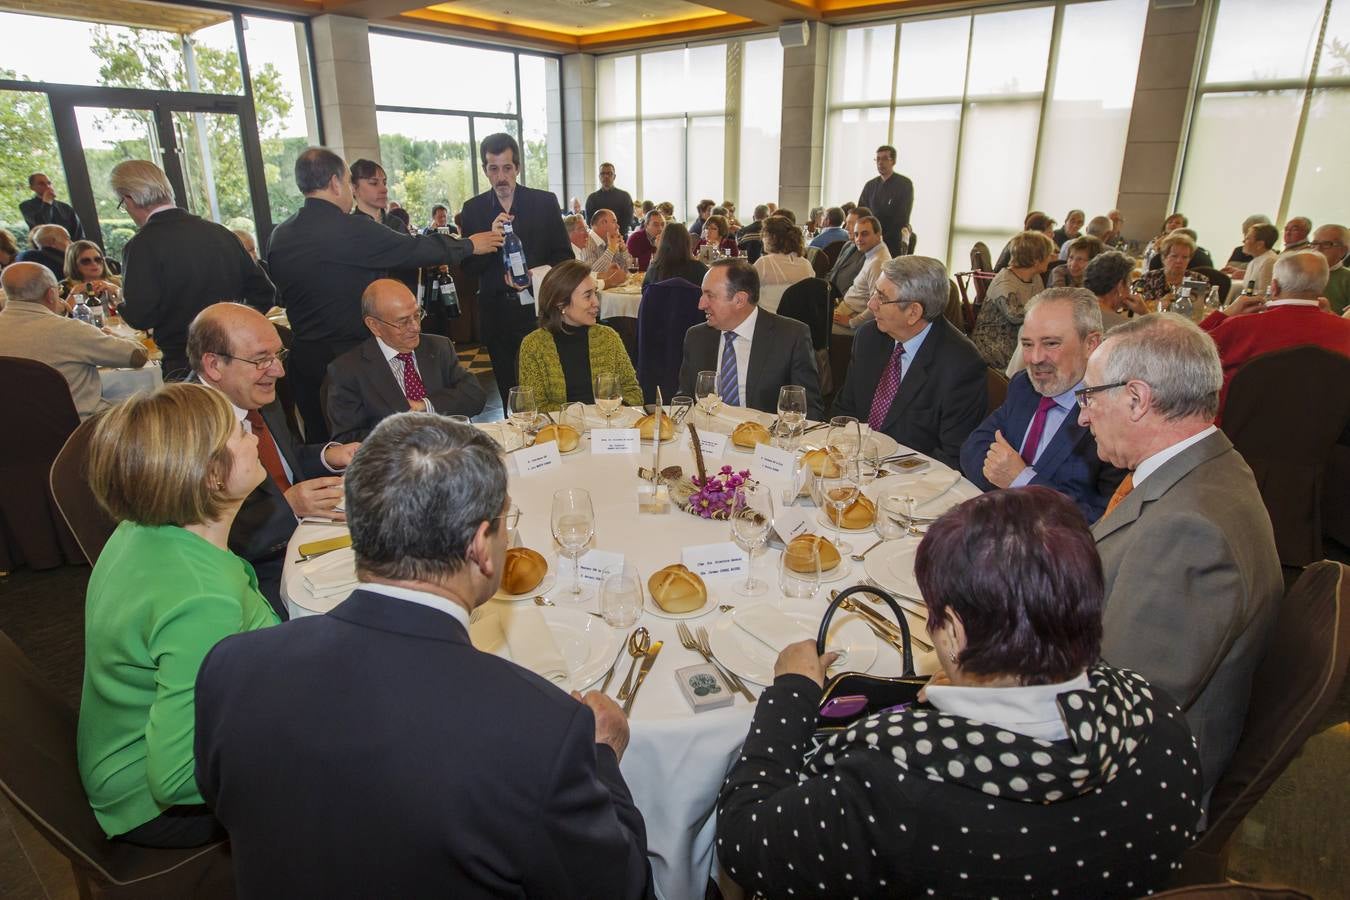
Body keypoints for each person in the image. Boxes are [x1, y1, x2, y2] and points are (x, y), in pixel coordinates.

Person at [193, 414, 652, 896]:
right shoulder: (542, 731)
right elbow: (623, 886)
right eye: (503, 525)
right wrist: (601, 756)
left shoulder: (231, 667)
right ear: (481, 547)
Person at [716, 486, 1202, 899]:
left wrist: (792, 693)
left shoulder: (889, 782)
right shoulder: (1161, 723)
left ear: (951, 633)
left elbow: (743, 838)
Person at [1079, 313, 1282, 802]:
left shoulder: (1189, 531)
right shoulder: (1212, 464)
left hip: (1137, 789)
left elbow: (1116, 715)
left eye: (1089, 396)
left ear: (1136, 398)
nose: (1082, 415)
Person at [78, 383, 279, 847]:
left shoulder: (141, 528)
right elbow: (174, 779)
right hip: (154, 804)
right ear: (211, 474)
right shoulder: (202, 599)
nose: (253, 435)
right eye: (239, 431)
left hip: (120, 752)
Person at [268, 148, 496, 439]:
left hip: (305, 359)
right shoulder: (351, 229)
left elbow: (280, 296)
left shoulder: (280, 235)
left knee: (323, 445)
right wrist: (469, 245)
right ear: (337, 183)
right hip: (354, 357)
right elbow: (414, 249)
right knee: (378, 440)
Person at [188, 303, 360, 620]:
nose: (278, 371)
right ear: (213, 365)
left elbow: (284, 460)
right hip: (252, 576)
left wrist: (330, 455)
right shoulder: (187, 430)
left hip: (307, 537)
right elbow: (201, 536)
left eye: (278, 356)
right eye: (261, 359)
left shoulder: (254, 394)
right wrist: (288, 506)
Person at [961, 288, 1126, 522]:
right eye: (1027, 344)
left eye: (1050, 343)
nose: (1035, 358)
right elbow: (973, 447)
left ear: (1091, 344)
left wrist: (1021, 482)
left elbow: (1103, 521)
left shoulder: (1115, 416)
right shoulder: (1024, 386)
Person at [112, 160, 274, 381]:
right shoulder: (220, 233)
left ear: (129, 198)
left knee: (194, 417)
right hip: (235, 356)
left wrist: (120, 304)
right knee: (239, 415)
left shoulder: (141, 246)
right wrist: (235, 331)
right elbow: (264, 292)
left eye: (123, 204)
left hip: (184, 360)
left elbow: (141, 315)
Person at [833, 256, 986, 468]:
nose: (871, 304)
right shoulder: (869, 337)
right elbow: (845, 408)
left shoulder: (961, 365)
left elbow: (952, 455)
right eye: (874, 292)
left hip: (912, 484)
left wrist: (885, 474)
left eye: (882, 297)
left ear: (914, 312)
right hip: (853, 466)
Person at [460, 133, 573, 408]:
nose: (501, 177)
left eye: (507, 168)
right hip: (497, 316)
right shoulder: (472, 210)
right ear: (485, 170)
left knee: (547, 387)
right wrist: (489, 240)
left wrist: (535, 277)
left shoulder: (544, 202)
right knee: (510, 391)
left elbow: (564, 257)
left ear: (518, 168)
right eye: (493, 168)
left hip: (538, 311)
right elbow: (468, 268)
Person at [326, 279, 486, 440]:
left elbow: (474, 396)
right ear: (374, 325)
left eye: (417, 315)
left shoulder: (439, 347)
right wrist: (406, 435)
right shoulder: (347, 370)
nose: (416, 327)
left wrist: (424, 406)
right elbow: (347, 440)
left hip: (452, 451)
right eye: (403, 322)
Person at [1201, 250, 1350, 417]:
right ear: (1322, 288)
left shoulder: (1242, 327)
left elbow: (1181, 355)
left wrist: (1225, 314)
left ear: (1274, 287)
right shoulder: (1346, 330)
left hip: (1236, 427)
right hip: (1322, 431)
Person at [677, 258, 823, 420]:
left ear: (739, 300)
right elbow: (685, 399)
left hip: (766, 438)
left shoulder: (791, 337)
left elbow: (807, 408)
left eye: (710, 296)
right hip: (709, 437)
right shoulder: (697, 337)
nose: (701, 304)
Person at [0, 263, 147, 419]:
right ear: (51, 294)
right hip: (79, 430)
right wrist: (116, 336)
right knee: (141, 410)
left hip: (12, 433)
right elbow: (137, 356)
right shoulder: (70, 330)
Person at [517, 260, 642, 412]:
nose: (596, 302)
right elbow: (534, 408)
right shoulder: (534, 345)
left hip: (606, 429)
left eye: (595, 293)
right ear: (560, 302)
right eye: (587, 296)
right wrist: (581, 414)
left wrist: (617, 409)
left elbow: (633, 391)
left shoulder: (608, 337)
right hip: (560, 432)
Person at [973, 230, 1055, 369]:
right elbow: (1015, 316)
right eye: (1048, 254)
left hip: (1019, 337)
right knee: (1044, 360)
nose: (1052, 257)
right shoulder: (1005, 282)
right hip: (994, 342)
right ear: (1036, 260)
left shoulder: (1035, 278)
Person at [832, 214, 891, 332]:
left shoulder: (877, 263)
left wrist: (852, 322)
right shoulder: (873, 253)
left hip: (851, 316)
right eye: (856, 234)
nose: (858, 239)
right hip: (846, 309)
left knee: (814, 330)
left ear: (878, 235)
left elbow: (878, 304)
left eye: (865, 234)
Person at [858, 144, 914, 256]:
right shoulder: (870, 185)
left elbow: (902, 216)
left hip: (892, 240)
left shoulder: (904, 184)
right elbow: (861, 212)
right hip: (870, 240)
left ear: (893, 161)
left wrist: (879, 237)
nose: (880, 163)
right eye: (877, 159)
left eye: (884, 159)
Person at [1136, 231, 1210, 311]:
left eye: (1185, 257)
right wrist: (1159, 303)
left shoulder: (1200, 280)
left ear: (1189, 259)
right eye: (1174, 256)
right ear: (1164, 258)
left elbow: (1207, 309)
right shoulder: (1149, 278)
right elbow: (1140, 306)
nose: (1179, 261)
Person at [751, 215, 812, 305]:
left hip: (769, 316)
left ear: (772, 238)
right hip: (798, 317)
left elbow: (748, 290)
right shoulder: (806, 264)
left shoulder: (764, 263)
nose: (762, 239)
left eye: (764, 235)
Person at [1083, 250, 1147, 329]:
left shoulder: (1074, 309)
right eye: (1129, 285)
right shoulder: (1122, 326)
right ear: (1120, 287)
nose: (1130, 291)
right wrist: (1145, 314)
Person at [19, 172, 84, 240]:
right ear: (32, 188)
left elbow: (79, 234)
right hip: (44, 248)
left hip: (68, 247)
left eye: (49, 183)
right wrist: (47, 203)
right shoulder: (26, 206)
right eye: (41, 184)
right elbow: (41, 225)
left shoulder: (65, 207)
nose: (47, 186)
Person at [643, 222, 707, 288]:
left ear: (663, 243)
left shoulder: (654, 269)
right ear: (687, 243)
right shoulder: (700, 269)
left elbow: (645, 293)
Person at [1222, 222, 1278, 297]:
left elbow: (1264, 294)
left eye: (1247, 238)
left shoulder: (1269, 261)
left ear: (1259, 245)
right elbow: (1247, 287)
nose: (1243, 241)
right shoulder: (1255, 259)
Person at [824, 207, 867, 302]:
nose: (846, 227)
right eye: (846, 223)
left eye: (851, 223)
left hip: (846, 302)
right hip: (829, 296)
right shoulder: (848, 245)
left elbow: (859, 290)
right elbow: (833, 271)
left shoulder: (867, 253)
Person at [580, 208, 632, 288]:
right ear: (603, 223)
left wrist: (623, 250)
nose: (618, 226)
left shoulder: (610, 240)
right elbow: (591, 273)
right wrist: (611, 249)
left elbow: (626, 270)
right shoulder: (586, 241)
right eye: (614, 221)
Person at [585, 162, 635, 237]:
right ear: (599, 177)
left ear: (614, 176)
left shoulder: (625, 196)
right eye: (603, 174)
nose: (606, 176)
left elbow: (628, 220)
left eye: (609, 173)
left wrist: (614, 235)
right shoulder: (592, 198)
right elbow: (590, 222)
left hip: (619, 238)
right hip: (598, 241)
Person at [1311, 223, 1350, 314]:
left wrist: (1329, 315)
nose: (1318, 248)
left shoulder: (1347, 279)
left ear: (1343, 250)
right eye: (1314, 243)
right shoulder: (1297, 272)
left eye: (1327, 244)